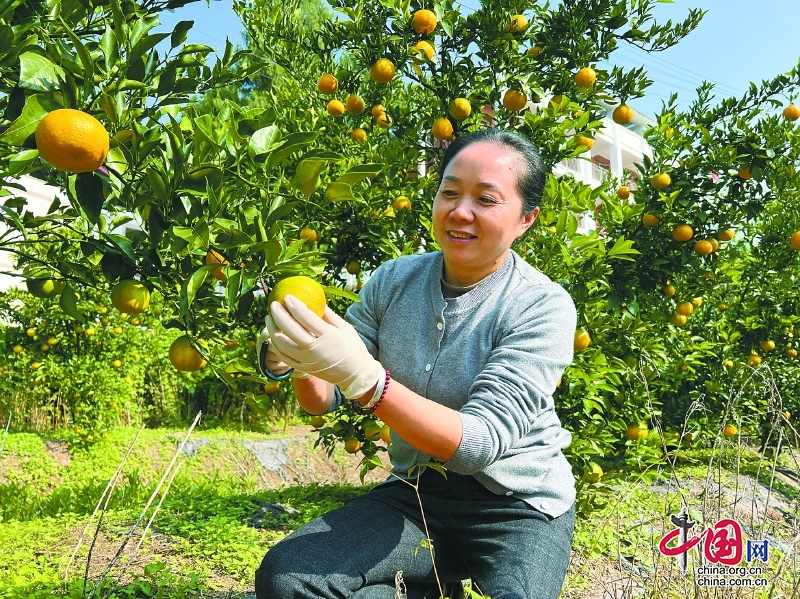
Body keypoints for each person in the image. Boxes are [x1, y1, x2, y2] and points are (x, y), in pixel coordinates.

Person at [255, 128, 578, 599]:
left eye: (486, 199)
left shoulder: (541, 305)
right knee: (290, 578)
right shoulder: (394, 280)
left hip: (517, 503)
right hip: (418, 491)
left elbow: (478, 445)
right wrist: (299, 358)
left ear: (526, 218)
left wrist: (367, 380)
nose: (460, 211)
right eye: (449, 192)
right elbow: (321, 401)